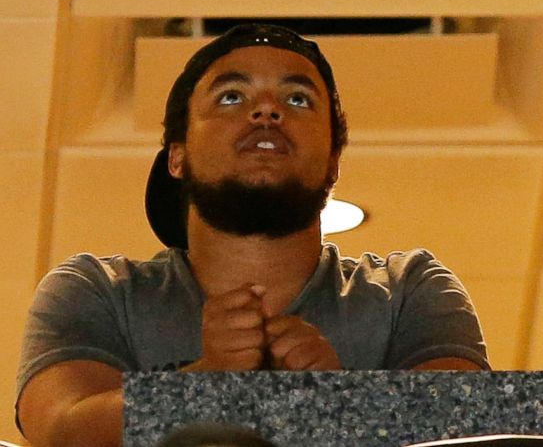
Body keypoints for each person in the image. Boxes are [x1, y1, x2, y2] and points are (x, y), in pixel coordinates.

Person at [16, 24, 489, 446]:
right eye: (231, 97)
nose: (267, 111)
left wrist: (334, 401)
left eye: (298, 99)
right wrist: (207, 382)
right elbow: (59, 431)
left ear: (333, 163)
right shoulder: (97, 291)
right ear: (176, 157)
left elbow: (474, 434)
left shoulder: (410, 290)